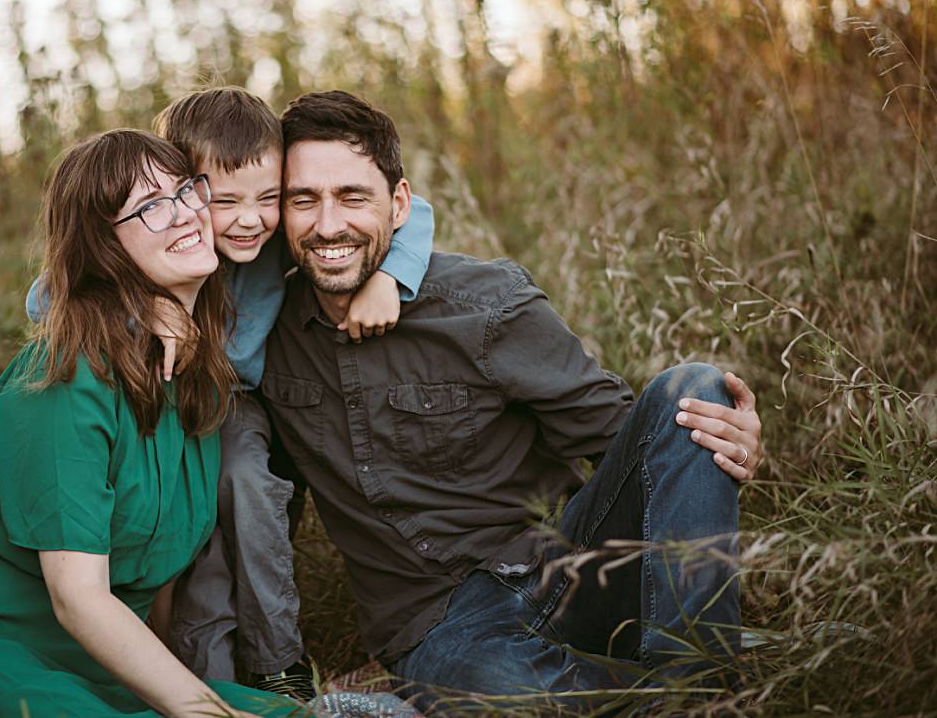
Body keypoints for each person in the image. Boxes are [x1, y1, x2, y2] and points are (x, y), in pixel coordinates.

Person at [259, 91, 766, 712]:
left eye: (352, 196)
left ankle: (698, 682)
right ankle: (689, 692)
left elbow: (623, 440)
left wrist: (724, 443)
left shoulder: (485, 304)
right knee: (504, 696)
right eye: (302, 200)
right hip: (442, 627)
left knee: (693, 392)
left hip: (570, 565)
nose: (328, 223)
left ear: (399, 204)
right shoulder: (265, 338)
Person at [26, 88, 435, 701]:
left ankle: (276, 664)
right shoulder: (159, 243)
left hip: (235, 401)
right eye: (225, 202)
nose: (251, 219)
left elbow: (415, 208)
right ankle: (204, 681)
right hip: (157, 402)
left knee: (242, 481)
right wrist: (148, 305)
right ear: (186, 194)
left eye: (269, 198)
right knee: (195, 541)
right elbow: (46, 297)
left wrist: (390, 277)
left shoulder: (267, 237)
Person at [0, 129, 298, 717]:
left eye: (186, 192)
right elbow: (78, 599)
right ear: (103, 250)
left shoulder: (197, 382)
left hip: (110, 668)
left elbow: (156, 585)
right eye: (151, 208)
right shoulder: (61, 379)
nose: (185, 215)